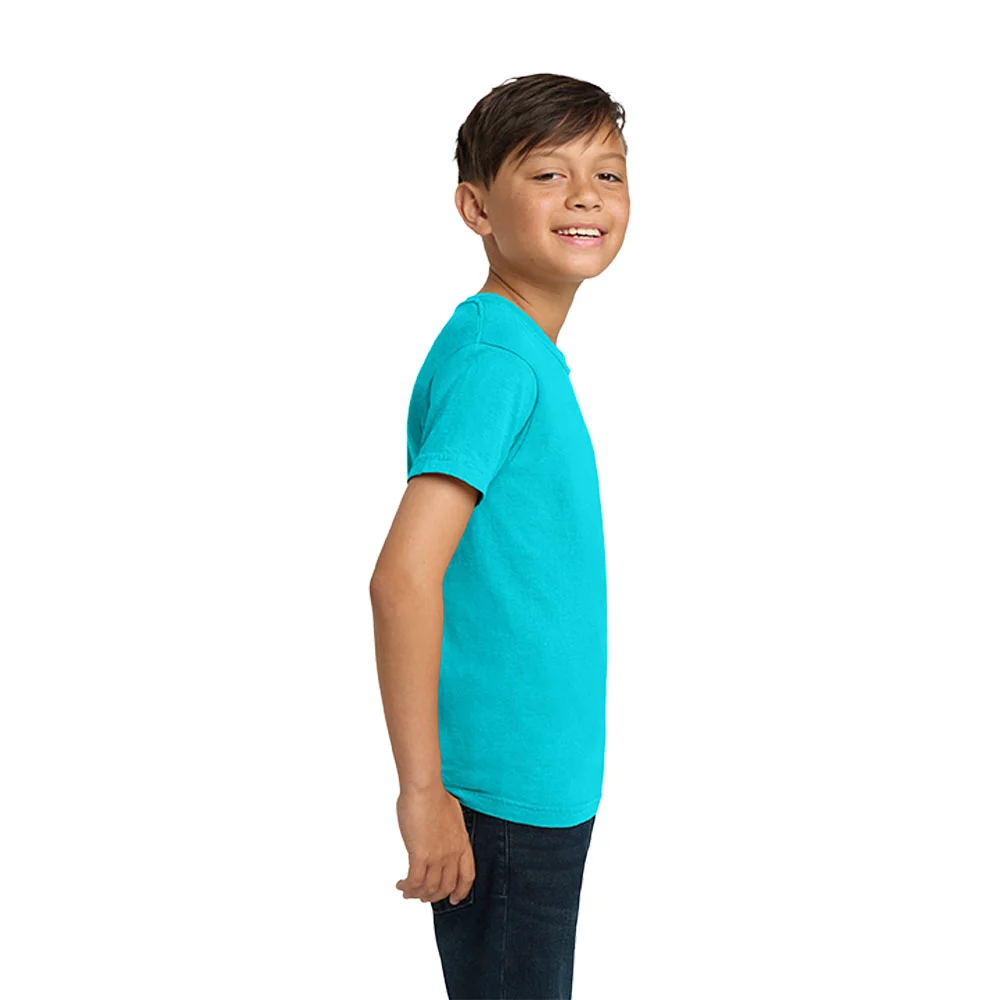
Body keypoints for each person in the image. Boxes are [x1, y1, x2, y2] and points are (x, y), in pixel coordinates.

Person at [369, 72, 630, 1000]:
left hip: (541, 783)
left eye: (607, 174)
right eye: (549, 174)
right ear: (476, 208)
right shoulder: (497, 361)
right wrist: (424, 795)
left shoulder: (521, 352)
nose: (586, 196)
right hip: (502, 798)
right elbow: (403, 577)